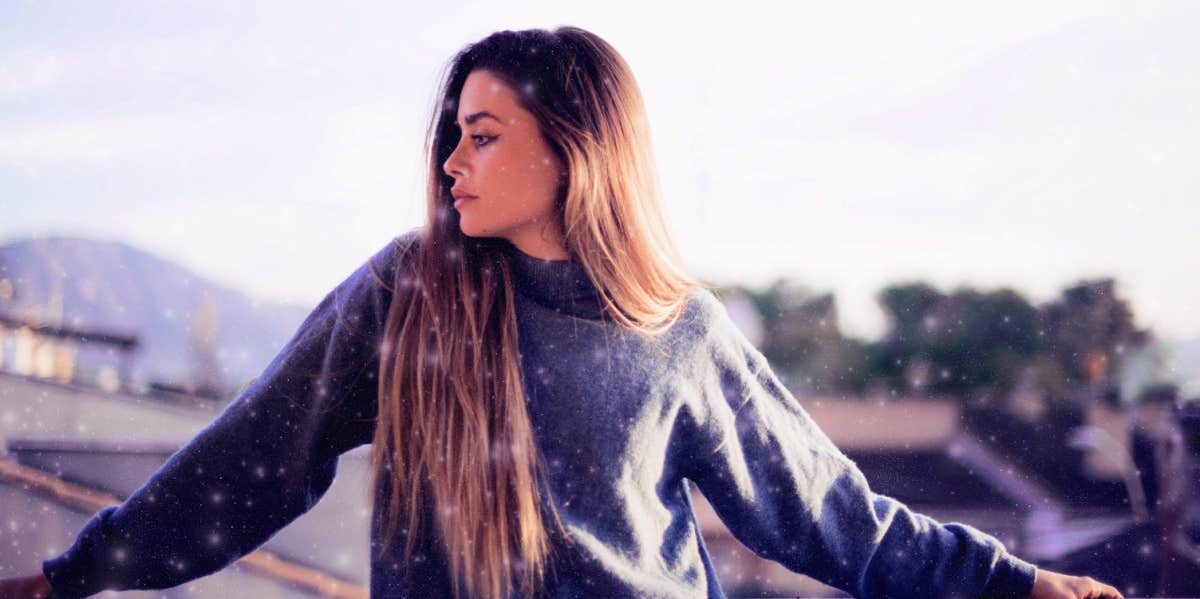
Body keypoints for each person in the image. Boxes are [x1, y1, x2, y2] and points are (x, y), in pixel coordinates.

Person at [0, 26, 1124, 599]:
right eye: (453, 132)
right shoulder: (405, 295)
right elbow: (250, 459)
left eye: (482, 134)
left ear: (573, 148)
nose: (451, 161)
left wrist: (1015, 580)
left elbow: (828, 516)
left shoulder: (674, 329)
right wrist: (73, 572)